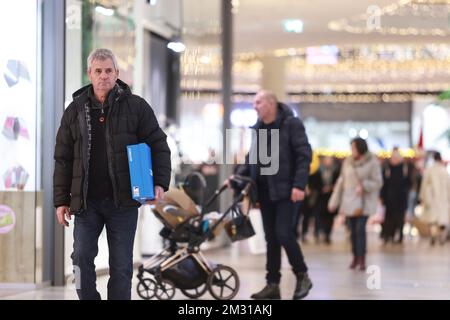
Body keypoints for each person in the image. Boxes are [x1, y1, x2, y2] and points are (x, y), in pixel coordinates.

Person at [53, 48, 171, 300]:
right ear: (90, 74)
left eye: (109, 71)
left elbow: (159, 144)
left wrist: (160, 183)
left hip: (124, 202)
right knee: (81, 257)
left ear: (117, 73)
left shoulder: (137, 107)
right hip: (86, 203)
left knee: (121, 266)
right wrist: (61, 200)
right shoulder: (74, 110)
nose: (104, 76)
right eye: (98, 71)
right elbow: (62, 159)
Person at [236, 90, 313, 300]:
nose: (255, 106)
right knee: (271, 239)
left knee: (283, 233)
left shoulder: (290, 124)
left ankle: (302, 275)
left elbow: (304, 155)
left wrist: (299, 185)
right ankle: (272, 284)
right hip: (265, 193)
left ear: (271, 103)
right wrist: (237, 177)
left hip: (287, 192)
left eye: (258, 102)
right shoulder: (259, 128)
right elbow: (253, 159)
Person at [328, 138, 382, 271]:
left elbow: (378, 182)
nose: (352, 150)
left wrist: (364, 186)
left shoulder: (372, 162)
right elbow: (341, 182)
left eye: (354, 147)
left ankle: (362, 258)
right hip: (349, 202)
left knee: (360, 230)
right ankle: (355, 257)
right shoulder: (347, 162)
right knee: (352, 231)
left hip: (364, 203)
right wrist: (333, 201)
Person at [380, 147, 411, 244]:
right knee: (389, 218)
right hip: (389, 198)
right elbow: (383, 184)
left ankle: (399, 236)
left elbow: (408, 183)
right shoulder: (387, 168)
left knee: (400, 218)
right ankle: (388, 235)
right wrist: (382, 196)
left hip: (401, 198)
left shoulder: (404, 168)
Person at [419, 151, 450, 246]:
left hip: (432, 199)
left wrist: (421, 196)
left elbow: (424, 185)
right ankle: (441, 236)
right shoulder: (444, 171)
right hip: (443, 200)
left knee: (433, 219)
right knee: (441, 220)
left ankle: (434, 235)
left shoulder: (430, 170)